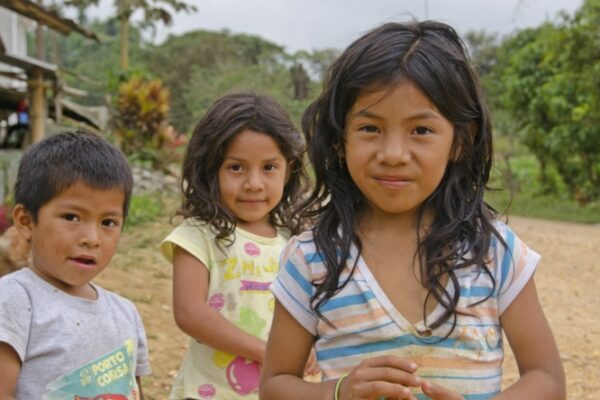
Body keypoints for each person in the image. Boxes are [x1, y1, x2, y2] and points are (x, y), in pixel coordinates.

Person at [260, 21, 565, 400]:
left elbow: (546, 378)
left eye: (420, 130)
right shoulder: (312, 260)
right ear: (341, 140)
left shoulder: (495, 252)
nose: (393, 155)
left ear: (461, 141)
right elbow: (275, 385)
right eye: (370, 128)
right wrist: (337, 393)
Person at [161, 92, 314, 400]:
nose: (254, 183)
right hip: (208, 394)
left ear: (290, 168)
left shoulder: (295, 242)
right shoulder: (197, 235)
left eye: (269, 167)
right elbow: (189, 312)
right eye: (236, 167)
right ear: (210, 169)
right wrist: (265, 351)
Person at [0, 131, 151, 399]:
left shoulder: (126, 314)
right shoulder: (13, 300)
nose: (91, 239)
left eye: (108, 223)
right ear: (25, 221)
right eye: (71, 217)